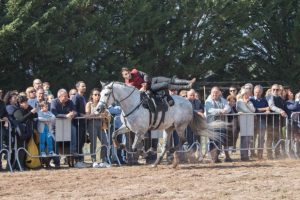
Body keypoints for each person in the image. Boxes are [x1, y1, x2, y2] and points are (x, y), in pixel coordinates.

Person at [50, 89, 84, 168]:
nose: (66, 97)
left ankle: (73, 151)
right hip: (56, 125)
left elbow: (75, 111)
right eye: (64, 96)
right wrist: (66, 116)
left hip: (67, 124)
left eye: (67, 96)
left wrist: (73, 114)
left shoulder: (70, 102)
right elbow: (54, 113)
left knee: (73, 129)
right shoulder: (54, 102)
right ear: (59, 97)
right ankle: (56, 159)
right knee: (54, 138)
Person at [205, 86, 231, 163]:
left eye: (216, 92)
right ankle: (213, 158)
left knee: (220, 141)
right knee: (213, 141)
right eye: (213, 92)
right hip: (212, 124)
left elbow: (228, 108)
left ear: (219, 93)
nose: (215, 94)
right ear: (211, 93)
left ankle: (216, 157)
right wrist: (221, 111)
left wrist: (225, 110)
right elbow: (210, 110)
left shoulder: (223, 100)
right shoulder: (208, 101)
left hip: (222, 125)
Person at [85, 88, 110, 167]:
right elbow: (87, 116)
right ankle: (94, 160)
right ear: (92, 96)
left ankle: (103, 160)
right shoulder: (89, 104)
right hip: (92, 124)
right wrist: (98, 115)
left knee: (105, 142)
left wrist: (105, 115)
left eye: (98, 95)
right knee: (94, 143)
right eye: (95, 94)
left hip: (101, 124)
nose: (97, 96)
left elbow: (106, 114)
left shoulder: (102, 104)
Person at [121, 67, 196, 93]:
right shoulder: (128, 84)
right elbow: (136, 92)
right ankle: (187, 87)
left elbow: (145, 74)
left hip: (151, 80)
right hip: (149, 88)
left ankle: (188, 81)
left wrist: (146, 82)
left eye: (128, 72)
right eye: (126, 74)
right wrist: (142, 88)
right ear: (124, 76)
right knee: (165, 84)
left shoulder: (134, 72)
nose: (128, 74)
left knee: (169, 80)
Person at [267, 84, 287, 159]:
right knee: (270, 138)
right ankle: (269, 155)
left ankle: (277, 154)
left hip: (279, 121)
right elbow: (271, 106)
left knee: (278, 138)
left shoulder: (281, 98)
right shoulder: (269, 97)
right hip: (271, 121)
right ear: (271, 90)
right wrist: (280, 111)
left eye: (277, 89)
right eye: (274, 89)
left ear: (279, 90)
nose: (275, 91)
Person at [250, 85, 270, 159]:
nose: (257, 93)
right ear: (253, 91)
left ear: (261, 92)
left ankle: (260, 154)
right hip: (253, 121)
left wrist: (267, 111)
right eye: (256, 92)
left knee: (261, 138)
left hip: (262, 121)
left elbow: (268, 108)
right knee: (253, 138)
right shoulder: (250, 100)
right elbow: (254, 109)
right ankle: (252, 153)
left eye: (259, 92)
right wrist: (264, 109)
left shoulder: (264, 100)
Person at [236, 87, 256, 161]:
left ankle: (246, 154)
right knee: (244, 138)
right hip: (243, 122)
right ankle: (243, 155)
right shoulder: (239, 102)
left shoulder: (250, 102)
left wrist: (247, 104)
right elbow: (245, 110)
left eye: (248, 93)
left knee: (248, 138)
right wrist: (249, 110)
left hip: (249, 121)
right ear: (243, 94)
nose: (247, 95)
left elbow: (253, 110)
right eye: (246, 93)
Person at [71, 81, 87, 164]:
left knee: (82, 142)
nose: (84, 87)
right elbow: (74, 111)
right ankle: (77, 160)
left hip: (83, 123)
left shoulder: (84, 97)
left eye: (85, 86)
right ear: (77, 87)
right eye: (82, 86)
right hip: (77, 123)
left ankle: (81, 159)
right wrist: (83, 115)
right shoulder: (75, 97)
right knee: (77, 142)